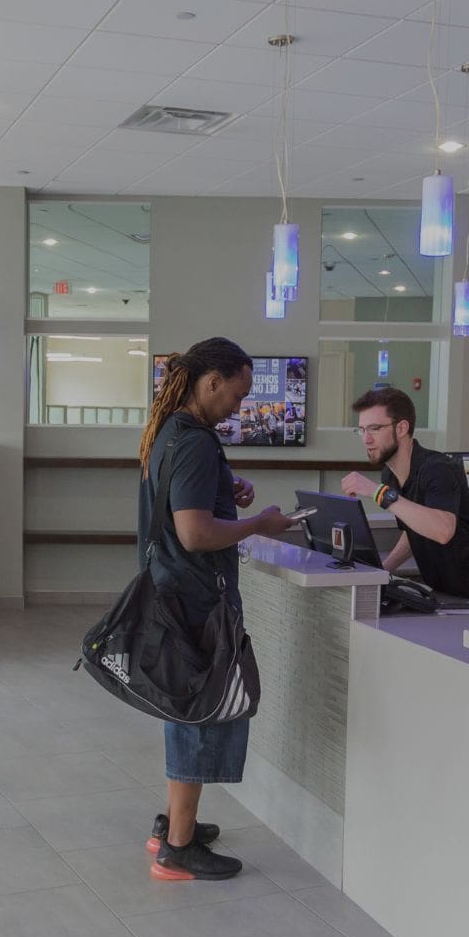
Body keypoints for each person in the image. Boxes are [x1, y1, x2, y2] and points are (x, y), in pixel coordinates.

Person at [139, 338, 299, 881]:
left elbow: (180, 499)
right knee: (197, 719)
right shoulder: (197, 442)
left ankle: (173, 826)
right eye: (237, 394)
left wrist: (228, 487)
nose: (241, 407)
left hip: (172, 593)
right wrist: (259, 523)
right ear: (211, 383)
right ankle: (178, 848)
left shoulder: (171, 433)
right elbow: (194, 530)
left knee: (186, 713)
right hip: (196, 602)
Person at [340, 385, 469, 611]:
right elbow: (414, 529)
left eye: (375, 429)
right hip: (447, 595)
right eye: (361, 430)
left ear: (402, 428)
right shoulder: (391, 474)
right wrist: (383, 570)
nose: (366, 439)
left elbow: (442, 530)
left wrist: (377, 492)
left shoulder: (438, 469)